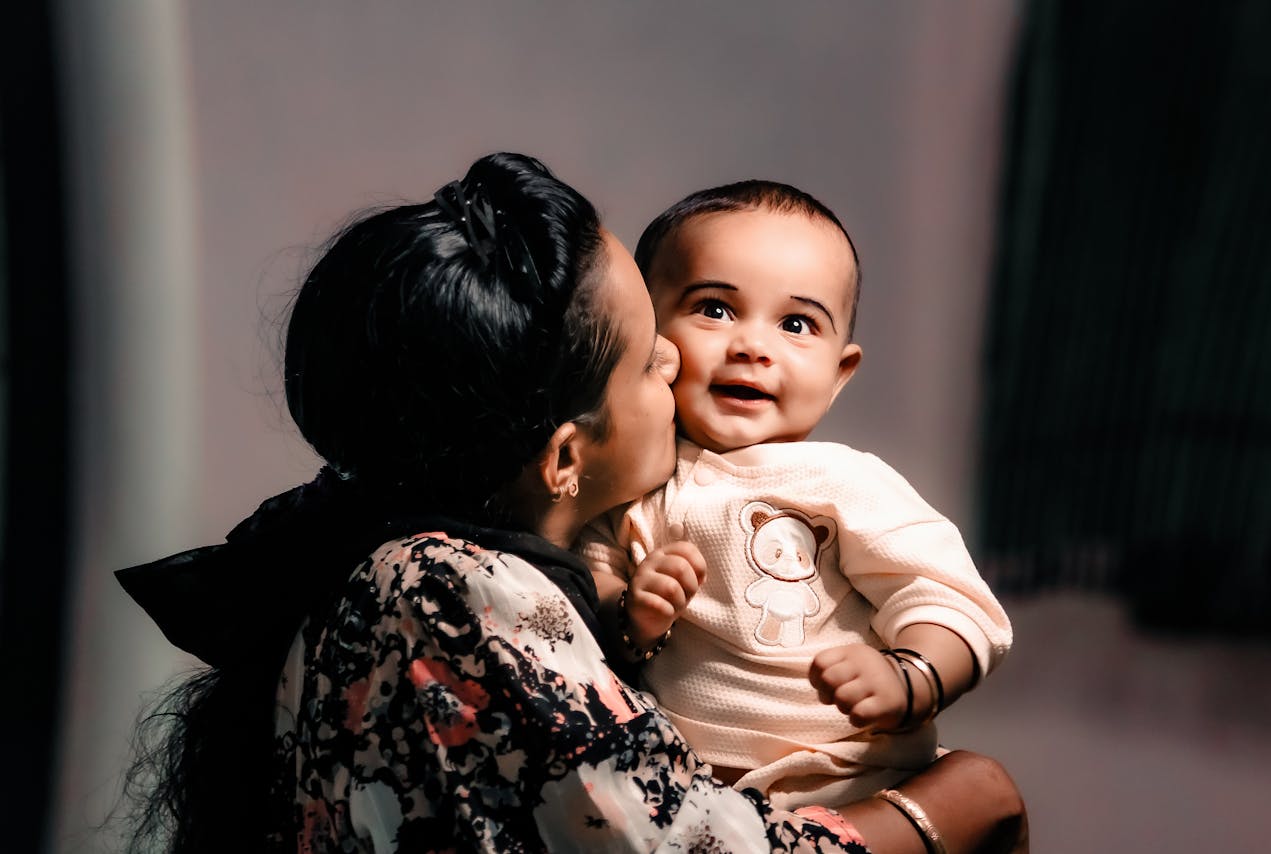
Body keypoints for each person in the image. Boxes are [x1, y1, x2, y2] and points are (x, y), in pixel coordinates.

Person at [116, 153, 1027, 853]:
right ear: (563, 457)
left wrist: (912, 677)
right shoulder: (452, 590)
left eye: (795, 323)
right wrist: (953, 799)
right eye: (651, 352)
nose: (683, 363)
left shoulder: (420, 574)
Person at [579, 181, 1013, 810]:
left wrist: (911, 677)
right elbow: (587, 597)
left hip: (849, 780)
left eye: (797, 324)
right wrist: (630, 612)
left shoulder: (843, 483)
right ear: (648, 335)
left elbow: (950, 600)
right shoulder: (633, 487)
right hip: (690, 793)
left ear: (839, 374)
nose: (753, 347)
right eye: (715, 309)